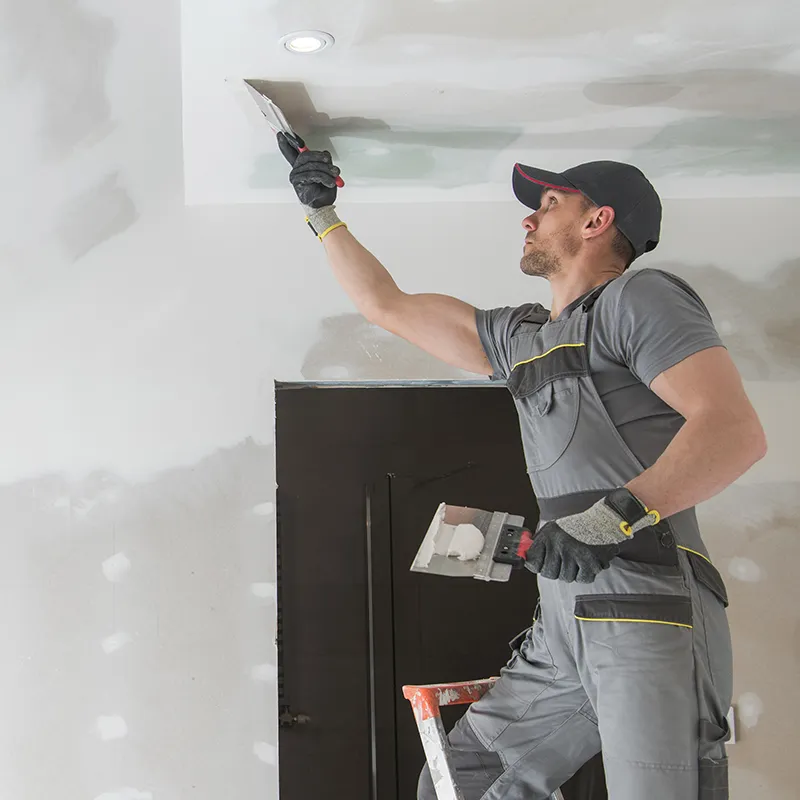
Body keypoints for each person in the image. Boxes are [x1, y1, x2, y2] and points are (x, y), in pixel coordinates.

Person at [278, 134, 767, 800]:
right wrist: (321, 212)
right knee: (465, 780)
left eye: (550, 203)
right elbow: (385, 305)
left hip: (646, 602)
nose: (528, 218)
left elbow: (733, 432)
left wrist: (608, 520)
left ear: (598, 223)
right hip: (564, 618)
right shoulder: (522, 338)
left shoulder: (640, 301)